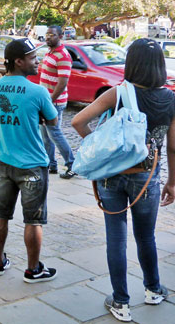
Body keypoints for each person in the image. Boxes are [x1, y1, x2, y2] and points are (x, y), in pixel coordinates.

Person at [72, 38, 174, 322]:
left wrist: (99, 148)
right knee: (146, 236)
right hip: (148, 177)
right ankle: (153, 290)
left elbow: (77, 121)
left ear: (131, 63)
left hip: (113, 176)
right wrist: (173, 182)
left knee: (116, 238)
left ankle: (120, 302)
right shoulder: (171, 99)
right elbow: (174, 146)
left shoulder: (118, 93)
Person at [0, 38, 58, 283]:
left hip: (4, 161)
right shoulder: (37, 90)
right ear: (19, 62)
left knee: (1, 212)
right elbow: (53, 121)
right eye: (32, 57)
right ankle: (32, 270)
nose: (37, 61)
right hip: (32, 165)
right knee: (33, 220)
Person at [39, 26, 76, 179]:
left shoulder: (63, 56)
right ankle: (50, 165)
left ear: (60, 36)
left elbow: (62, 83)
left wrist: (49, 101)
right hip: (46, 101)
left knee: (55, 134)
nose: (48, 37)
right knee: (45, 135)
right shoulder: (50, 52)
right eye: (47, 34)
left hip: (54, 102)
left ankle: (71, 164)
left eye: (52, 35)